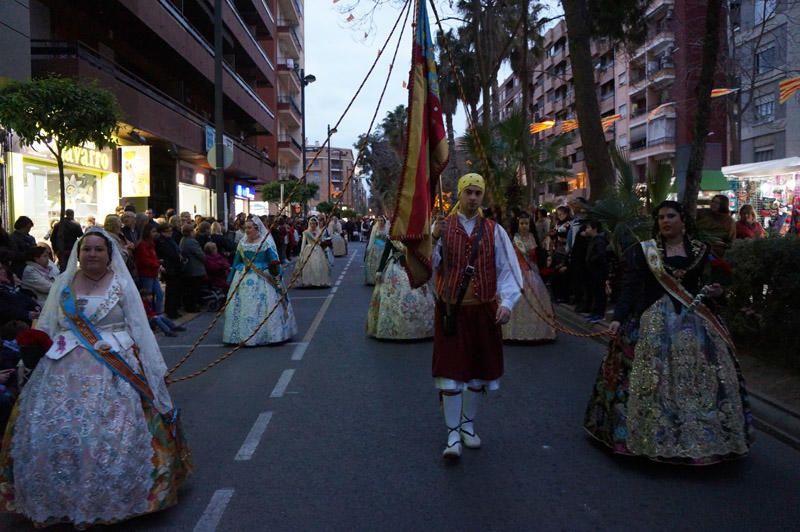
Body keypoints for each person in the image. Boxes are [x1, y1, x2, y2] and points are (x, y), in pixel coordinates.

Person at [0, 229, 191, 527]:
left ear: (109, 254)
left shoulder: (122, 286)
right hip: (63, 366)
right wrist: (35, 353)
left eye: (98, 250)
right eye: (86, 249)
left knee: (111, 431)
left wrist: (155, 368)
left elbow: (140, 328)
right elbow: (49, 324)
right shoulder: (63, 285)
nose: (91, 254)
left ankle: (112, 497)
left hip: (116, 364)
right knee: (54, 429)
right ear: (78, 253)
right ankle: (57, 497)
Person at [584, 200, 752, 465]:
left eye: (671, 216)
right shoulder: (645, 251)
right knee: (650, 379)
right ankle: (647, 435)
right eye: (661, 217)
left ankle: (702, 436)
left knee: (705, 379)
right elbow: (631, 286)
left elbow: (712, 282)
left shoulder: (701, 250)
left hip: (694, 320)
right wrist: (617, 318)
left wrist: (717, 290)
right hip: (651, 320)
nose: (665, 221)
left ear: (683, 220)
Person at [430, 173, 523, 459]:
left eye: (477, 193)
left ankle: (468, 427)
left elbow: (508, 268)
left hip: (483, 310)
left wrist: (507, 303)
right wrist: (433, 237)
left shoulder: (495, 230)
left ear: (482, 197)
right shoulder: (442, 228)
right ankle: (452, 434)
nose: (472, 197)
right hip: (451, 311)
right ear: (459, 193)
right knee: (450, 375)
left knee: (476, 375)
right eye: (468, 192)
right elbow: (426, 266)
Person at [223, 216, 296, 345]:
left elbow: (274, 261)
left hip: (262, 279)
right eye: (246, 228)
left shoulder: (265, 243)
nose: (247, 230)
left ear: (257, 229)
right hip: (243, 278)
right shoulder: (242, 243)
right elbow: (236, 262)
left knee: (263, 305)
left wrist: (276, 273)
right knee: (244, 307)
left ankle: (269, 334)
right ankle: (243, 334)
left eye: (250, 227)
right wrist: (230, 278)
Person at [502, 213, 556, 342]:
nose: (524, 226)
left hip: (531, 272)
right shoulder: (513, 238)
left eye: (526, 223)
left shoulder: (533, 238)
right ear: (518, 224)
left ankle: (536, 332)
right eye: (522, 223)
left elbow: (536, 257)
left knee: (536, 298)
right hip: (517, 273)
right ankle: (513, 333)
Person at [366, 240, 435, 340]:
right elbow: (386, 252)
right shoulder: (392, 235)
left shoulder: (414, 234)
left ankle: (417, 327)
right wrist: (380, 270)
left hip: (413, 266)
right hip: (395, 267)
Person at [155, 223, 185, 319]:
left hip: (175, 267)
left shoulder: (169, 240)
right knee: (171, 290)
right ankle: (171, 311)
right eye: (168, 231)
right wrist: (177, 256)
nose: (170, 232)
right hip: (170, 268)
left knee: (175, 290)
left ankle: (173, 310)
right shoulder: (162, 241)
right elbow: (169, 253)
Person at [582, 220, 609, 324]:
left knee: (600, 293)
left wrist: (592, 260)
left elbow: (601, 255)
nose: (586, 230)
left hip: (598, 271)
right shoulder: (593, 240)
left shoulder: (599, 241)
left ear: (594, 229)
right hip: (593, 271)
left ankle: (599, 314)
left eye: (588, 228)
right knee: (595, 292)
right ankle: (595, 312)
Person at [135, 225, 165, 313]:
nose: (155, 234)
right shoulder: (142, 245)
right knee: (148, 297)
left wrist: (158, 263)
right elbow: (145, 260)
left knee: (159, 294)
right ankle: (150, 315)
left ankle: (157, 314)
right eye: (153, 232)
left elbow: (152, 258)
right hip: (146, 274)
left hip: (153, 273)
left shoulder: (151, 243)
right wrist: (157, 265)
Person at [298, 216, 332, 287]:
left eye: (314, 223)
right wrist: (301, 252)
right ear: (309, 224)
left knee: (318, 264)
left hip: (318, 249)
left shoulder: (319, 232)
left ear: (316, 224)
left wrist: (325, 244)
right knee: (309, 265)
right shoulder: (306, 232)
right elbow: (303, 243)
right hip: (309, 249)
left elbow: (321, 241)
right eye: (311, 223)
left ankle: (318, 280)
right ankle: (309, 281)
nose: (313, 225)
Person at [179, 224, 206, 313]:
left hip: (188, 269)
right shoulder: (191, 242)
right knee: (194, 290)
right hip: (194, 269)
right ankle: (192, 307)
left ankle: (189, 306)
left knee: (189, 290)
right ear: (190, 232)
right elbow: (200, 254)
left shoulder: (183, 240)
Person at [364, 216, 389, 285]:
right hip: (375, 248)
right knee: (373, 264)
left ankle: (381, 279)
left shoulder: (387, 229)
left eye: (382, 221)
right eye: (379, 220)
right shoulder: (375, 228)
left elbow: (388, 240)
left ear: (384, 221)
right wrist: (369, 249)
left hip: (384, 248)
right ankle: (373, 279)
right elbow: (372, 239)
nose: (380, 222)